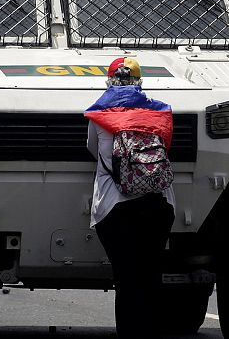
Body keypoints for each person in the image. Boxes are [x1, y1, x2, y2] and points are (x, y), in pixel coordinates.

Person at [84, 57, 176, 339]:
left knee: (127, 280)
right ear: (139, 83)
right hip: (158, 203)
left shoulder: (99, 116)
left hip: (115, 207)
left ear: (109, 82)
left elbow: (92, 150)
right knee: (151, 276)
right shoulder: (160, 113)